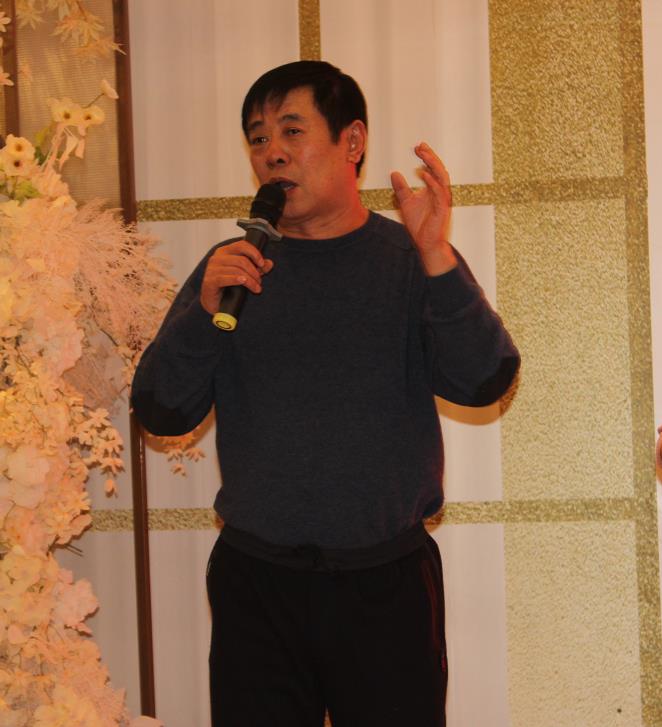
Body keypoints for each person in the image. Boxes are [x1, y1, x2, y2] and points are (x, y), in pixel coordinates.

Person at [131, 60, 520, 727]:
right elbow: (162, 410)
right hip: (257, 582)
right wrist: (203, 312)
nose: (272, 152)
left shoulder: (408, 258)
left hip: (386, 582)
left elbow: (485, 379)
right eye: (257, 137)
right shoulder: (233, 269)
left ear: (352, 141)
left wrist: (437, 257)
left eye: (291, 130)